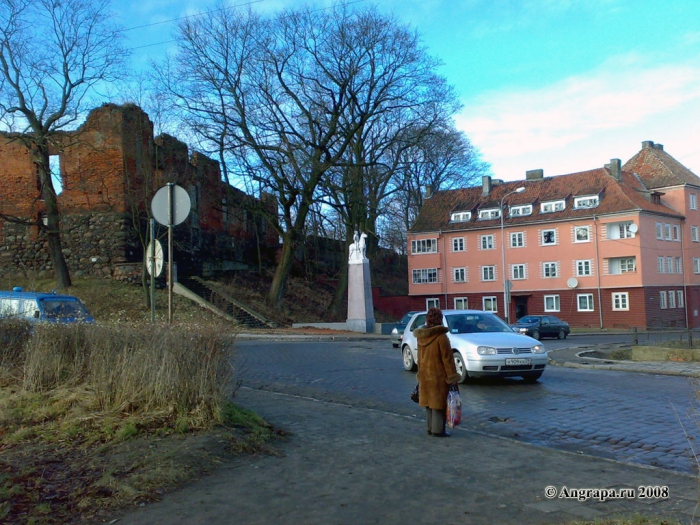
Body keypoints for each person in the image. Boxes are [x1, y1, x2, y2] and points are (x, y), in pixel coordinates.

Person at [413, 307, 461, 437]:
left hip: (425, 375)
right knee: (438, 404)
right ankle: (438, 430)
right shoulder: (441, 337)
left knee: (429, 403)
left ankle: (430, 428)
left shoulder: (421, 337)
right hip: (438, 376)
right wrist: (452, 377)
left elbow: (419, 358)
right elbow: (448, 359)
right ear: (440, 319)